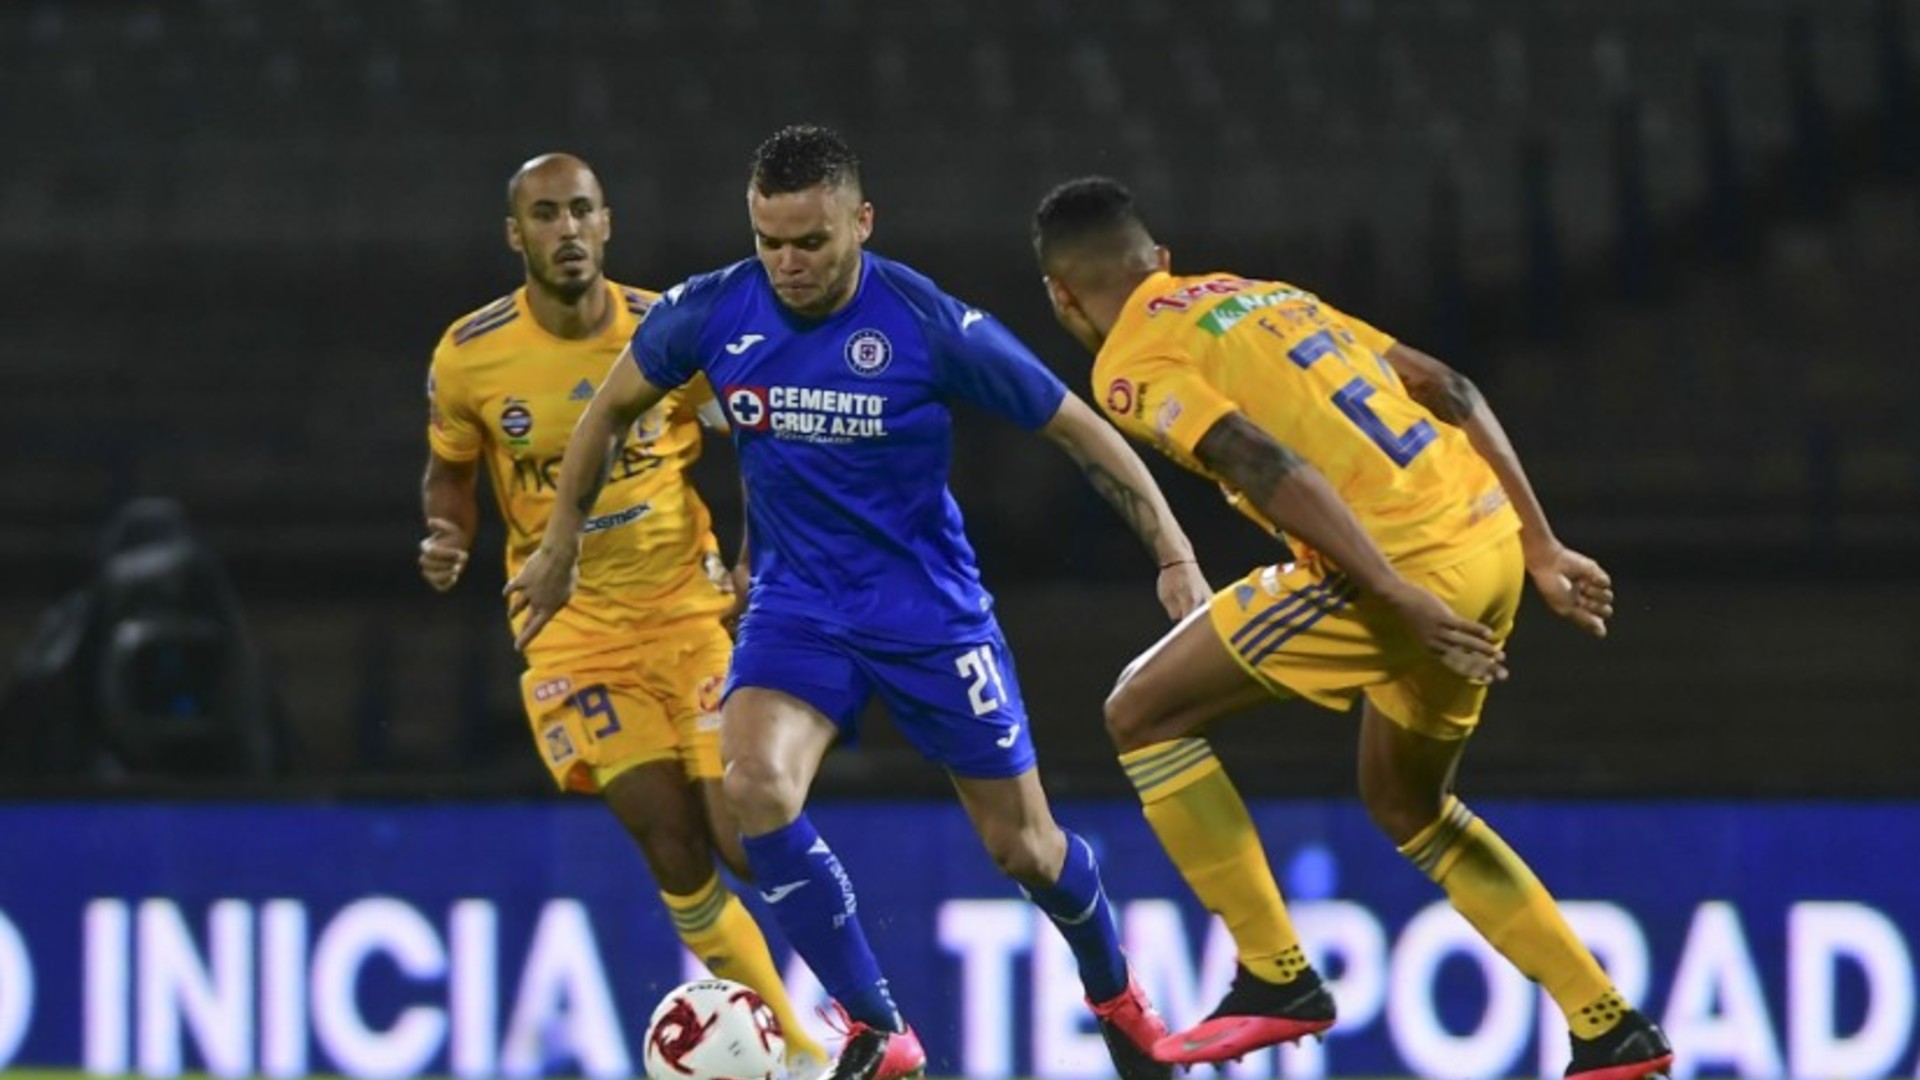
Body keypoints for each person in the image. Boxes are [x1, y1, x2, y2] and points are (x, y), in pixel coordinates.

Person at [506, 126, 1209, 1080]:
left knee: (1029, 851)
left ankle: (1118, 998)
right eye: (771, 241)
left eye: (812, 242)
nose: (788, 264)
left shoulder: (926, 323)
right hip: (797, 612)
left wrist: (1171, 552)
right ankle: (880, 1031)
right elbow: (607, 412)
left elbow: (1082, 432)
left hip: (930, 615)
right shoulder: (710, 312)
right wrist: (558, 547)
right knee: (754, 786)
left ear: (861, 223)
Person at [1029, 176, 1675, 1080]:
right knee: (1409, 801)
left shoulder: (1131, 360)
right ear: (1161, 260)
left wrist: (1389, 587)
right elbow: (1447, 385)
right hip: (1487, 540)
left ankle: (1275, 976)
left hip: (1398, 566)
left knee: (1140, 713)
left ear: (1062, 296)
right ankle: (1608, 1027)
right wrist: (1541, 543)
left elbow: (1259, 459)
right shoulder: (1268, 296)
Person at [417, 152, 828, 1077]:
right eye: (546, 214)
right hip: (573, 632)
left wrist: (766, 554)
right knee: (670, 839)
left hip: (690, 615)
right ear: (515, 234)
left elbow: (761, 433)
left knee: (746, 838)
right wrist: (447, 533)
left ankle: (861, 1003)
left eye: (582, 211)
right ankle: (801, 1058)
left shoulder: (670, 330)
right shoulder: (470, 355)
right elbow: (449, 472)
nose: (566, 229)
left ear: (608, 225)